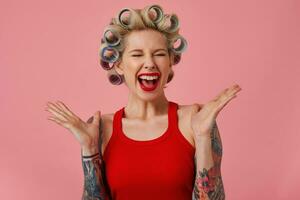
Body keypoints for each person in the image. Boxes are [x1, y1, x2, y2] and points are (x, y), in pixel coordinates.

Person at [45, 4, 241, 200]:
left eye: (159, 54)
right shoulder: (101, 128)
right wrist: (89, 148)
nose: (149, 63)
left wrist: (203, 138)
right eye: (137, 55)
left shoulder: (195, 121)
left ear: (171, 61)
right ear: (119, 64)